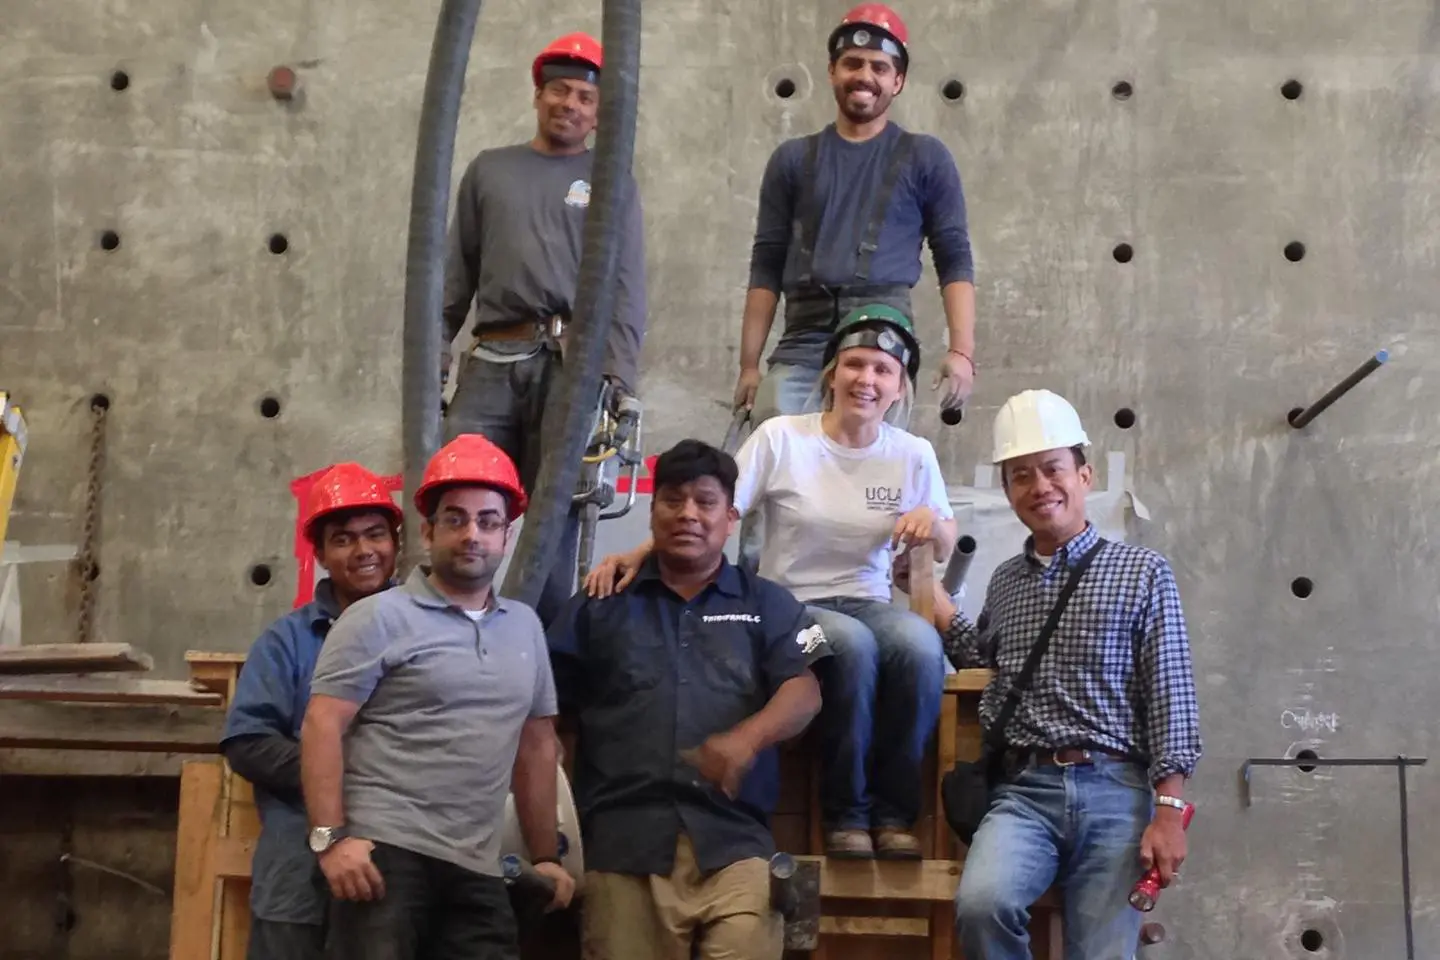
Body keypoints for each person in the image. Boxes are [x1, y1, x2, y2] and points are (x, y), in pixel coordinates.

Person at [588, 304, 956, 860]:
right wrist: (641, 552)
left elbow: (945, 537)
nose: (867, 380)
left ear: (900, 386)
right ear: (832, 373)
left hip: (870, 599)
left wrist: (937, 524)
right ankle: (846, 813)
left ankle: (894, 812)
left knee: (921, 647)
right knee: (847, 647)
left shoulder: (913, 454)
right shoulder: (783, 438)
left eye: (883, 371)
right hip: (792, 612)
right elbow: (714, 510)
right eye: (855, 365)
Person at [937, 389, 1202, 959]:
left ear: (1084, 475)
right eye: (1020, 476)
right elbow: (989, 666)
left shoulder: (1142, 571)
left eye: (1053, 469)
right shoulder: (1006, 582)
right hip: (1025, 792)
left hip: (1117, 791)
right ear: (1009, 493)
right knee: (982, 905)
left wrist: (1169, 811)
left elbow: (1171, 695)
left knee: (1101, 952)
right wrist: (936, 608)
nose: (1040, 487)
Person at [549, 439, 831, 959]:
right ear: (652, 512)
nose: (688, 515)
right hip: (624, 846)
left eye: (705, 502)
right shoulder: (599, 603)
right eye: (672, 500)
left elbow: (806, 689)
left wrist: (747, 739)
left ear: (730, 517)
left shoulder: (770, 603)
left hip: (735, 845)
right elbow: (545, 718)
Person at [300, 434, 575, 960]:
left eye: (488, 521)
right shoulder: (378, 617)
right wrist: (331, 840)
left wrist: (547, 857)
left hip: (477, 864)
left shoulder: (525, 628)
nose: (472, 534)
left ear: (505, 534)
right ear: (427, 530)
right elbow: (321, 725)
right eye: (456, 519)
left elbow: (537, 746)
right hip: (384, 858)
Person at [441, 30, 649, 627]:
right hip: (492, 360)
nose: (571, 105)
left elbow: (626, 286)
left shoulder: (612, 182)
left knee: (556, 517)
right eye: (560, 90)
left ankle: (540, 657)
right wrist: (436, 356)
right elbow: (455, 274)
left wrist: (618, 375)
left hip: (572, 366)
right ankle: (448, 638)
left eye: (586, 97)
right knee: (463, 488)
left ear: (599, 114)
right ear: (538, 95)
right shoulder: (490, 171)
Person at [735, 2, 977, 427]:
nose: (865, 76)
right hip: (802, 338)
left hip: (881, 340)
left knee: (868, 473)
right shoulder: (791, 160)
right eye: (853, 63)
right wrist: (750, 366)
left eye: (880, 68)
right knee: (779, 453)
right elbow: (766, 264)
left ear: (897, 81)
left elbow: (954, 256)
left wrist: (962, 353)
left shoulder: (926, 158)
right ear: (832, 71)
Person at [220, 463, 402, 960]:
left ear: (396, 542)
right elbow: (248, 744)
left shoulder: (426, 634)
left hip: (400, 878)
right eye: (343, 539)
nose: (364, 550)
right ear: (319, 554)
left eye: (375, 535)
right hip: (298, 879)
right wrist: (337, 779)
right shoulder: (288, 642)